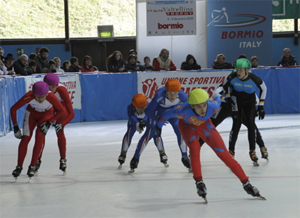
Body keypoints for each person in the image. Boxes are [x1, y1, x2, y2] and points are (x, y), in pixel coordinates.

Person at [154, 88, 265, 201]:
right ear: (192, 106)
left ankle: (246, 183)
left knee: (224, 155)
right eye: (198, 106)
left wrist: (219, 94)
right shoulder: (181, 110)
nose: (202, 109)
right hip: (187, 127)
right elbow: (166, 114)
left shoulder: (213, 106)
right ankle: (199, 182)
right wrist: (158, 127)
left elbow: (217, 96)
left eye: (204, 105)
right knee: (194, 149)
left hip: (205, 126)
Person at [129, 79, 191, 172]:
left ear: (179, 92)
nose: (173, 96)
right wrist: (155, 118)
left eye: (175, 93)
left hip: (173, 112)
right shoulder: (159, 95)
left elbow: (189, 107)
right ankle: (136, 158)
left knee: (180, 132)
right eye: (170, 93)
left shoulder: (183, 96)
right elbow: (149, 111)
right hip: (158, 113)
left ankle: (185, 157)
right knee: (150, 134)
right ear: (166, 91)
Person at [10, 81, 65, 180]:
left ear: (47, 93)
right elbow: (13, 109)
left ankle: (33, 165)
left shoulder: (51, 97)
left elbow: (61, 111)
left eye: (42, 96)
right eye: (37, 96)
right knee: (25, 138)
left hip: (46, 114)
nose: (40, 99)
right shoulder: (29, 96)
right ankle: (19, 166)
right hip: (31, 113)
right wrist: (15, 126)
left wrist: (50, 121)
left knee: (39, 136)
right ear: (33, 94)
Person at [198, 85, 269, 161]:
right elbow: (215, 93)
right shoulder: (228, 83)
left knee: (251, 126)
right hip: (227, 107)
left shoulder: (244, 84)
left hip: (238, 109)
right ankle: (196, 149)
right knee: (210, 127)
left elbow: (255, 99)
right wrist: (225, 99)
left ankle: (262, 147)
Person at [222, 58, 267, 165]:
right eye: (237, 70)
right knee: (236, 125)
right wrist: (228, 97)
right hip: (237, 101)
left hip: (249, 102)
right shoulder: (232, 76)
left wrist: (261, 106)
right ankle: (231, 151)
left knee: (251, 125)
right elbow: (225, 85)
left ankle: (252, 150)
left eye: (241, 70)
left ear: (247, 70)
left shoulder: (254, 79)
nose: (238, 72)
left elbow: (264, 89)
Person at [39, 73, 75, 174]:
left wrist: (62, 124)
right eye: (51, 87)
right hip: (49, 108)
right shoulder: (41, 89)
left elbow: (71, 113)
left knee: (59, 131)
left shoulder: (61, 90)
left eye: (55, 86)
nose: (54, 89)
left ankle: (63, 159)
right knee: (42, 131)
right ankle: (38, 159)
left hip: (61, 108)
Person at [118, 94, 148, 168]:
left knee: (154, 133)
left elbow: (150, 115)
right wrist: (137, 123)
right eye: (139, 109)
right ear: (134, 107)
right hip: (134, 122)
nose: (141, 111)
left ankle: (162, 153)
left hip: (145, 121)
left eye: (143, 109)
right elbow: (131, 116)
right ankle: (123, 153)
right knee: (129, 132)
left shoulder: (149, 106)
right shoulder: (130, 107)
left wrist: (144, 121)